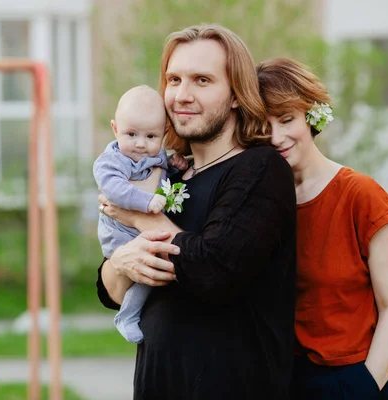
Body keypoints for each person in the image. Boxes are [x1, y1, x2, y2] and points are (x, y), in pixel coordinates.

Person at [96, 24, 297, 399]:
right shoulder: (167, 174)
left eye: (202, 80)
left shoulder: (259, 170)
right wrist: (122, 263)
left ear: (236, 94)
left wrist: (140, 218)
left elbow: (214, 270)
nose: (181, 96)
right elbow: (111, 292)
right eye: (174, 79)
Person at [256, 57, 388, 399]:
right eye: (263, 127)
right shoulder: (263, 204)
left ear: (311, 116)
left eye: (286, 120)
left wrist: (365, 387)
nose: (276, 137)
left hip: (353, 380)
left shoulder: (362, 196)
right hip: (285, 379)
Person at [93, 84, 187, 343]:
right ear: (115, 129)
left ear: (164, 133)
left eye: (151, 137)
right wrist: (147, 203)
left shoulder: (158, 156)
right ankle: (127, 315)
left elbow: (163, 175)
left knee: (155, 269)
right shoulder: (111, 161)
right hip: (120, 234)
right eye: (131, 134)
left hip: (142, 230)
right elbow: (115, 191)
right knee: (146, 271)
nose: (140, 145)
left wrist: (176, 166)